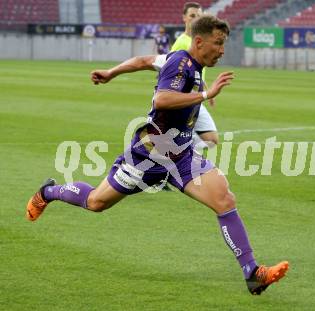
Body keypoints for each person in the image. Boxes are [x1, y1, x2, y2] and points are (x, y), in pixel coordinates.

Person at [26, 14, 289, 295]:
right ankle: (49, 192)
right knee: (96, 202)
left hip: (182, 155)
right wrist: (204, 94)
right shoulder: (180, 63)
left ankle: (252, 272)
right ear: (199, 42)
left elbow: (142, 61)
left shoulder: (187, 61)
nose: (222, 50)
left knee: (224, 199)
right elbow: (162, 99)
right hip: (149, 156)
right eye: (218, 43)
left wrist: (111, 72)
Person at [172, 1, 219, 147]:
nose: (195, 19)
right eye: (192, 15)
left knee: (212, 140)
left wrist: (206, 90)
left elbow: (198, 70)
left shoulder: (198, 41)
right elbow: (170, 71)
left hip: (196, 97)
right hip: (183, 98)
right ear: (184, 18)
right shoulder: (181, 43)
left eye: (198, 16)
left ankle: (180, 151)